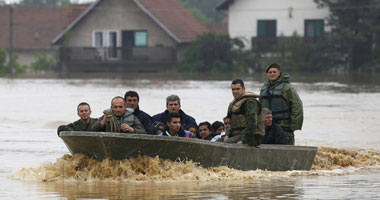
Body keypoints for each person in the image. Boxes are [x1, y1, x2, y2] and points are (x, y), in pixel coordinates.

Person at [259, 63, 303, 145]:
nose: (272, 74)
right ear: (267, 74)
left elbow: (297, 106)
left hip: (284, 126)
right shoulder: (264, 89)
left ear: (279, 73)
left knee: (286, 151)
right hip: (267, 126)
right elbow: (259, 107)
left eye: (274, 72)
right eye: (270, 72)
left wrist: (293, 126)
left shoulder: (287, 88)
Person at [224, 79, 265, 146]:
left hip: (252, 136)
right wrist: (227, 134)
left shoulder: (250, 102)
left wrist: (243, 140)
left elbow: (252, 123)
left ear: (243, 89)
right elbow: (231, 122)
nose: (235, 91)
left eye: (238, 89)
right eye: (233, 89)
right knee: (215, 142)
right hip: (237, 134)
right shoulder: (233, 103)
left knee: (226, 144)